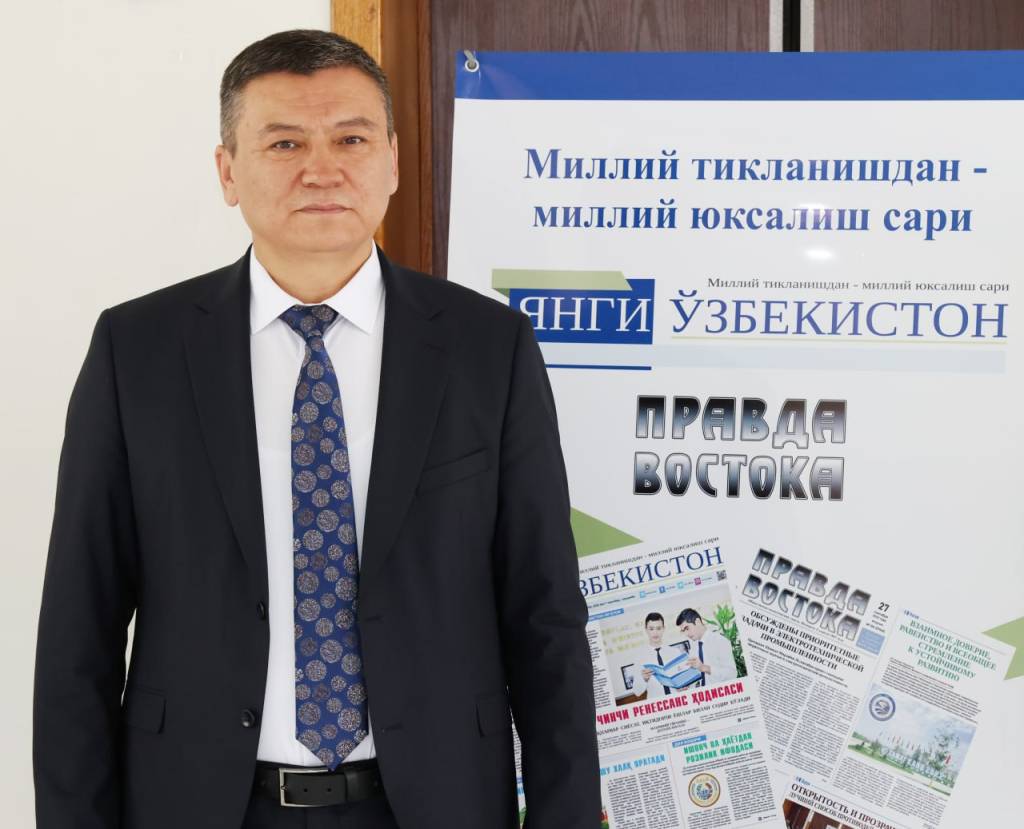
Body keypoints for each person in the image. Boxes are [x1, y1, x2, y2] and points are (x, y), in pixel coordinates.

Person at [32, 29, 600, 829]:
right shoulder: (138, 351)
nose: (321, 168)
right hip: (200, 804)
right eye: (285, 142)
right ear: (228, 171)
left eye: (351, 139)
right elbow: (77, 632)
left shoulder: (487, 349)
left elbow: (546, 619)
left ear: (393, 162)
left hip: (433, 805)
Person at [675, 608, 738, 685]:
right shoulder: (694, 645)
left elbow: (732, 674)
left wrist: (704, 667)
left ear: (697, 622)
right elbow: (698, 675)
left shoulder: (720, 641)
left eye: (687, 628)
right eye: (683, 631)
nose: (686, 634)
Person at [633, 612, 683, 698]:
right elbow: (637, 692)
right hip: (657, 703)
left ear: (663, 629)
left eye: (658, 628)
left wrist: (684, 686)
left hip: (676, 700)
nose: (655, 633)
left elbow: (684, 679)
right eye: (651, 629)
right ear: (646, 630)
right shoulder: (640, 657)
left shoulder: (675, 652)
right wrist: (644, 679)